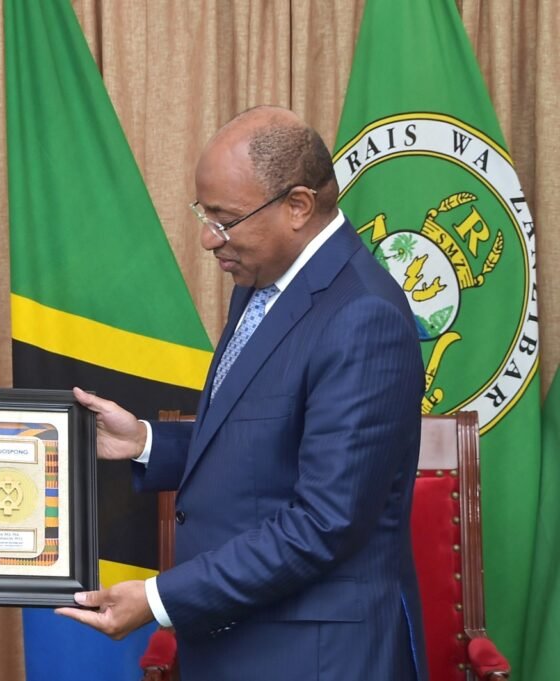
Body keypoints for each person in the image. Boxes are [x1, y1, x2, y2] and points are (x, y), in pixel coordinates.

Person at [57, 106, 429, 681]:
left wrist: (158, 599)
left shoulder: (363, 316)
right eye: (203, 215)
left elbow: (322, 524)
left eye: (223, 218)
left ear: (298, 207)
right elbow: (262, 436)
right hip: (242, 642)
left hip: (316, 658)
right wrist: (147, 444)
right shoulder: (262, 277)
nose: (208, 238)